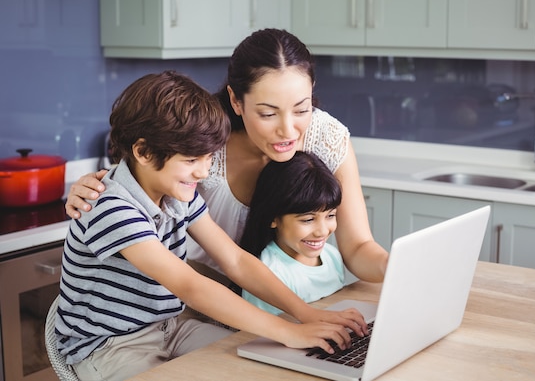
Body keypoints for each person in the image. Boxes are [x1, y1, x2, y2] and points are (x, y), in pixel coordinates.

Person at [55, 71, 367, 381]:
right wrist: (289, 331)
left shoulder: (176, 194)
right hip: (110, 346)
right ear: (144, 152)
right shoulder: (111, 208)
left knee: (262, 366)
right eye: (192, 161)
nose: (203, 172)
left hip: (170, 327)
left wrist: (306, 315)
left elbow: (236, 260)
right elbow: (190, 287)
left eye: (208, 158)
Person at [65, 28, 388, 286]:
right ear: (235, 100)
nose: (288, 131)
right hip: (204, 297)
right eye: (267, 113)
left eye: (302, 109)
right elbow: (141, 178)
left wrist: (396, 268)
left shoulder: (326, 138)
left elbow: (358, 248)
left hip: (290, 291)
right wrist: (94, 185)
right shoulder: (202, 144)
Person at [239, 151, 345, 314]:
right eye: (308, 219)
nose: (322, 231)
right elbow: (261, 337)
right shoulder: (269, 273)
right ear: (273, 218)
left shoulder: (332, 256)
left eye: (330, 215)